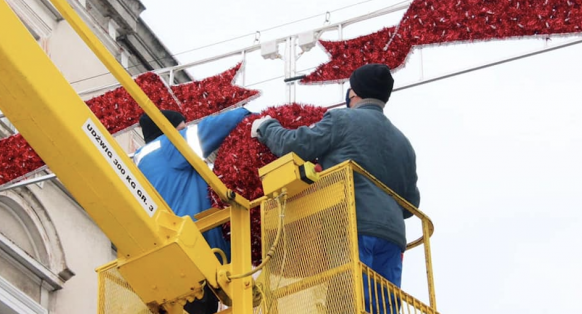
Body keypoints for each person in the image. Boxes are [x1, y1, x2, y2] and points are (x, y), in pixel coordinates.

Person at [250, 63, 420, 313]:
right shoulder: (404, 143)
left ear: (353, 93)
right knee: (383, 307)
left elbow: (296, 145)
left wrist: (266, 127)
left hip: (351, 225)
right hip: (393, 236)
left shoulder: (342, 119)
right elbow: (410, 205)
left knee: (347, 302)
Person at [135, 108, 250, 314]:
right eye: (183, 127)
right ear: (169, 130)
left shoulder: (142, 161)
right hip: (192, 251)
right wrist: (249, 113)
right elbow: (222, 123)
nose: (186, 129)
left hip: (172, 259)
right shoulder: (169, 146)